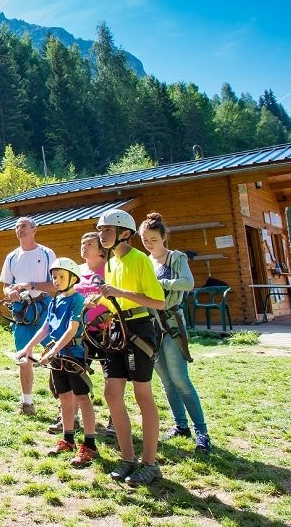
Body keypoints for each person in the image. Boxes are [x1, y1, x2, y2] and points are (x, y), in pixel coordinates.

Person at [92, 208, 166, 486]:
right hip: (116, 330)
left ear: (124, 233)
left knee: (142, 395)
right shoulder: (111, 262)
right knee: (112, 393)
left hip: (139, 330)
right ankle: (127, 459)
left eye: (107, 230)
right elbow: (113, 298)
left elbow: (158, 301)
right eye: (100, 230)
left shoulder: (139, 260)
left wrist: (118, 293)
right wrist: (95, 304)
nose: (102, 235)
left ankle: (150, 464)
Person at [139, 212, 212, 453]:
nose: (149, 244)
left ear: (164, 237)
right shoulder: (144, 261)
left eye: (153, 239)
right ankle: (181, 425)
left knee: (180, 379)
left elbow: (187, 283)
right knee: (167, 381)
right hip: (150, 326)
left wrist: (160, 284)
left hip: (171, 323)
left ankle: (201, 432)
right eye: (145, 240)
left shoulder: (176, 258)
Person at [16, 258, 99, 467]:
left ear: (73, 278)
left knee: (82, 398)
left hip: (73, 355)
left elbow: (72, 329)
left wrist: (52, 351)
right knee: (64, 397)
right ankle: (68, 440)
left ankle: (90, 445)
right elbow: (45, 328)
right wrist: (28, 348)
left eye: (61, 276)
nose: (56, 280)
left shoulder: (77, 300)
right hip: (58, 356)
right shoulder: (54, 300)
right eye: (54, 277)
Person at [49, 231, 108, 435]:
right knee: (73, 375)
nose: (84, 246)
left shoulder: (109, 269)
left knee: (111, 377)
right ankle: (68, 420)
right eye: (82, 243)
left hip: (104, 331)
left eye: (90, 243)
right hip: (80, 335)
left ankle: (113, 420)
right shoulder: (76, 271)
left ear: (101, 249)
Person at [0, 217, 56, 415]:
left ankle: (64, 405)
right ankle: (27, 403)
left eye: (23, 226)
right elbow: (6, 286)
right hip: (21, 311)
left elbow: (55, 284)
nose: (19, 230)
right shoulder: (11, 257)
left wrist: (31, 285)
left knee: (56, 353)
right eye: (16, 227)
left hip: (43, 307)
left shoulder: (47, 253)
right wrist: (11, 293)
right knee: (24, 357)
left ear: (34, 230)